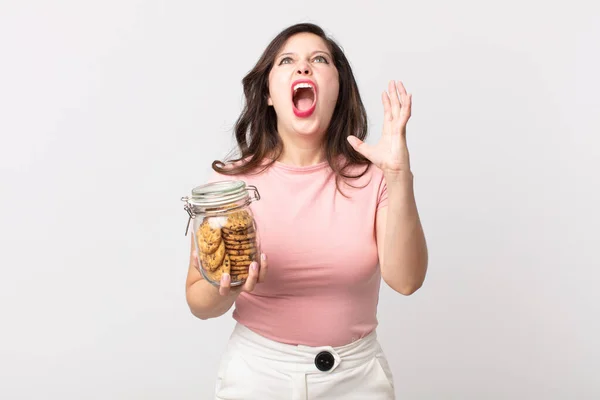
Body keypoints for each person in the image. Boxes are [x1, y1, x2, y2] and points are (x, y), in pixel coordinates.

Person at [185, 22, 428, 400]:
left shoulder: (375, 178)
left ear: (337, 88)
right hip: (258, 377)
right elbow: (198, 300)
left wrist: (399, 176)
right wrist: (227, 289)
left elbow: (407, 280)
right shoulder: (229, 188)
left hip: (358, 380)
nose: (303, 68)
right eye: (287, 61)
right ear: (267, 93)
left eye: (319, 59)